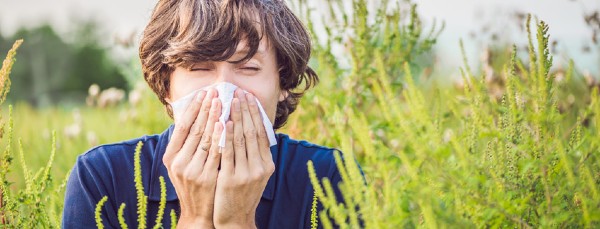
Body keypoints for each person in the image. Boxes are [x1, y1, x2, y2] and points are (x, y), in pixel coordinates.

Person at [62, 0, 359, 228]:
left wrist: (237, 222)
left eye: (248, 68)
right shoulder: (103, 178)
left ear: (283, 83)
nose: (223, 90)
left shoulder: (328, 178)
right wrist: (196, 219)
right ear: (166, 85)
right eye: (200, 68)